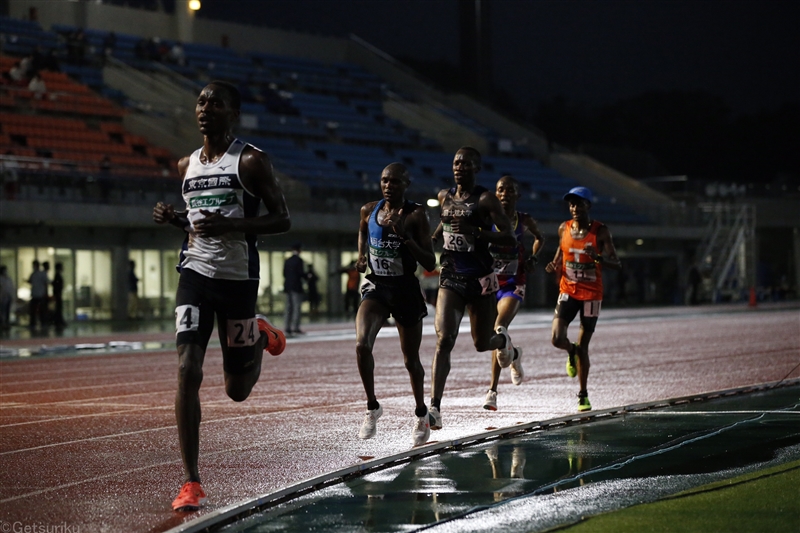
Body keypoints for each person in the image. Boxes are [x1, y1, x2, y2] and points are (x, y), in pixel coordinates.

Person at [152, 80, 290, 512]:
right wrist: (177, 221)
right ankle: (191, 480)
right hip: (194, 275)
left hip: (237, 280)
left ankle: (260, 335)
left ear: (234, 114)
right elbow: (199, 225)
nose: (205, 107)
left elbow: (282, 219)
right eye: (200, 100)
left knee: (236, 390)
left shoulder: (250, 161)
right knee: (187, 368)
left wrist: (231, 227)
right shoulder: (184, 165)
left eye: (216, 102)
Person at [428, 147, 517, 431]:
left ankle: (504, 344)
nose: (459, 167)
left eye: (465, 164)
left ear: (476, 168)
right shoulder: (443, 196)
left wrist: (479, 232)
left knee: (482, 344)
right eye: (456, 163)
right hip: (451, 277)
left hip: (480, 279)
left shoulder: (485, 199)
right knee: (444, 339)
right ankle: (435, 408)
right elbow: (442, 230)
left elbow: (509, 237)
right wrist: (427, 238)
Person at [354, 162, 437, 447]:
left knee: (410, 360)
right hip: (377, 286)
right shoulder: (369, 210)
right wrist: (362, 254)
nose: (389, 185)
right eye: (385, 180)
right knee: (362, 344)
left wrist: (404, 237)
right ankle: (372, 407)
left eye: (395, 182)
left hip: (405, 289)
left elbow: (429, 262)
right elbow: (363, 230)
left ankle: (421, 413)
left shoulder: (415, 215)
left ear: (406, 185)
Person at [545, 186, 621, 412]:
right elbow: (560, 252)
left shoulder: (600, 232)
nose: (574, 208)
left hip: (591, 294)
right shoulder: (563, 228)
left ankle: (583, 395)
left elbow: (617, 264)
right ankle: (570, 350)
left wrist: (597, 259)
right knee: (557, 338)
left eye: (578, 203)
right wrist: (555, 263)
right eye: (571, 204)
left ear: (588, 205)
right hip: (568, 290)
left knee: (585, 347)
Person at [483, 175, 545, 411]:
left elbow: (541, 238)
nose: (504, 194)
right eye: (500, 190)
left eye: (510, 190)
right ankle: (515, 353)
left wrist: (534, 258)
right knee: (492, 336)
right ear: (495, 194)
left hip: (513, 283)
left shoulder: (524, 220)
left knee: (500, 328)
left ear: (517, 195)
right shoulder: (487, 219)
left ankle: (492, 391)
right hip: (489, 284)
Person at [283, 243, 305, 335]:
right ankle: (295, 327)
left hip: (287, 286)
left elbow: (284, 273)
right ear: (299, 250)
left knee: (288, 308)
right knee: (296, 307)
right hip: (296, 287)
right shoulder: (299, 260)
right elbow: (300, 273)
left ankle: (287, 327)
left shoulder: (287, 260)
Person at [27, 260, 49, 329]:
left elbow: (46, 283)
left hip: (40, 295)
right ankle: (33, 323)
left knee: (41, 311)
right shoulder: (33, 274)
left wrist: (45, 293)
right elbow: (30, 281)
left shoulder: (42, 274)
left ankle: (43, 323)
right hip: (35, 295)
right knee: (33, 311)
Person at [52, 262, 67, 328]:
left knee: (59, 308)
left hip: (58, 294)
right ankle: (58, 321)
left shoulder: (57, 275)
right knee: (58, 308)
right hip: (58, 295)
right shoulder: (57, 276)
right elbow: (56, 286)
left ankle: (59, 321)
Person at [0, 265, 14, 330]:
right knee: (3, 311)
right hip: (2, 297)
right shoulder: (1, 279)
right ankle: (3, 324)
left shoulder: (8, 278)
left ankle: (7, 323)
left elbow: (11, 287)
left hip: (8, 297)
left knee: (7, 311)